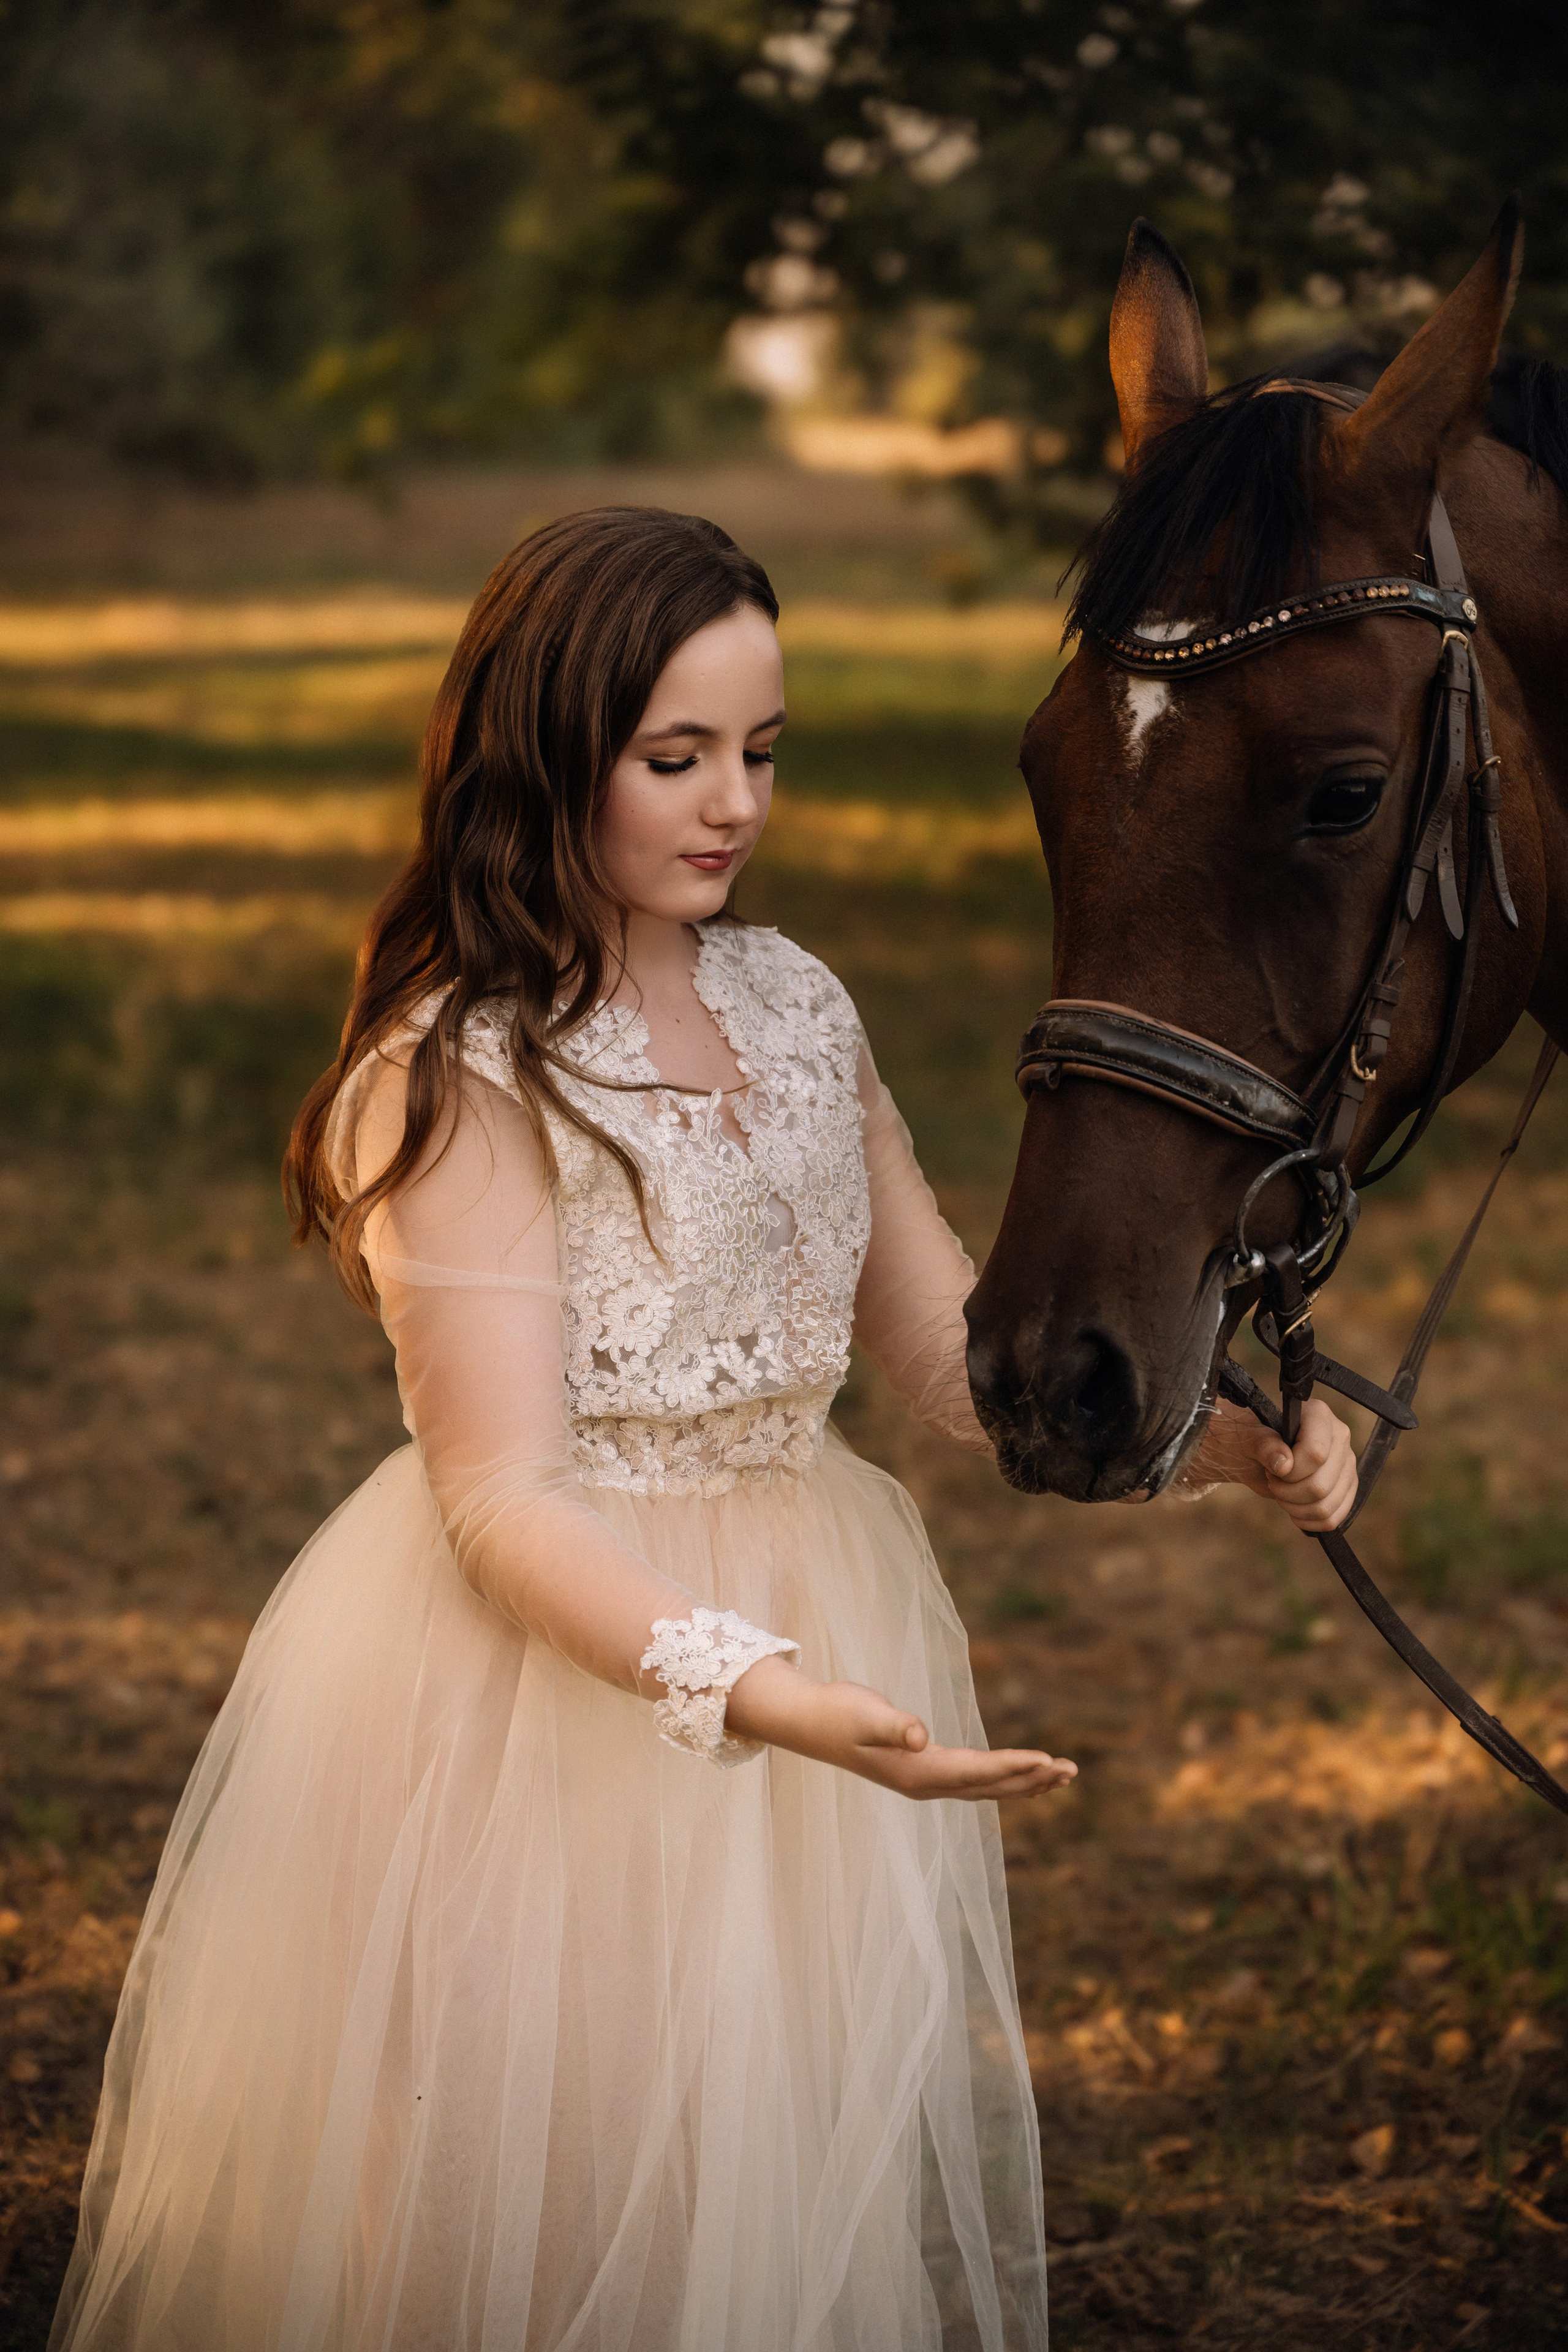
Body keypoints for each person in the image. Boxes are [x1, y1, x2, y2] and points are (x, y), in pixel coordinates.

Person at [51, 508, 1355, 2352]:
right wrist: (763, 1692)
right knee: (547, 2174)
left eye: (761, 752)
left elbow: (938, 1359)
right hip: (545, 1693)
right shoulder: (465, 1069)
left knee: (742, 2176)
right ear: (542, 750)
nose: (734, 802)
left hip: (806, 1595)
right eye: (676, 758)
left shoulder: (797, 1003)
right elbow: (500, 1499)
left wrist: (1231, 1447)